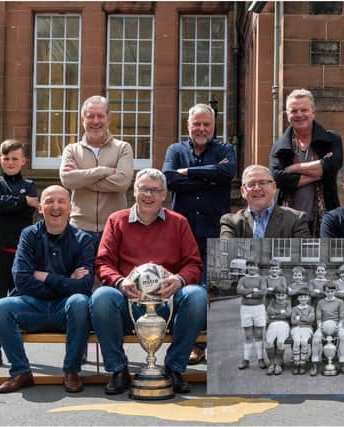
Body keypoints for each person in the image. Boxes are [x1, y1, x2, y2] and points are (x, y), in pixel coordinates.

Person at [90, 168, 206, 395]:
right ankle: (118, 370)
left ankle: (175, 368)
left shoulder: (179, 222)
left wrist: (179, 280)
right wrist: (120, 282)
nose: (149, 195)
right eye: (144, 188)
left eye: (155, 190)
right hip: (128, 301)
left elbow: (194, 264)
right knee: (101, 297)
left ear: (165, 194)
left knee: (197, 295)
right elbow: (103, 263)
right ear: (134, 191)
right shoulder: (117, 220)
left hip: (167, 303)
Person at [0, 186, 95, 393]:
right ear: (40, 207)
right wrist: (66, 281)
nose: (55, 207)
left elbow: (84, 286)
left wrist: (46, 276)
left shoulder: (84, 240)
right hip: (33, 307)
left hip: (65, 310)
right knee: (1, 307)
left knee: (80, 302)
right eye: (49, 201)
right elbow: (21, 279)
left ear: (71, 207)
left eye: (61, 201)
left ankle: (71, 370)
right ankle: (21, 371)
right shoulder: (28, 236)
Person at [163, 103, 236, 364]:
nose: (201, 129)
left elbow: (227, 172)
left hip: (215, 232)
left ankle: (213, 344)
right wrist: (209, 178)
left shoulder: (225, 149)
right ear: (188, 125)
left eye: (206, 124)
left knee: (214, 292)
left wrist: (190, 172)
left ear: (214, 126)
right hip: (184, 235)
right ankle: (193, 345)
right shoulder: (175, 150)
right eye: (197, 124)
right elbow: (169, 179)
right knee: (189, 291)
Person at [0, 140, 38, 369]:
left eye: (15, 158)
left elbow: (28, 210)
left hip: (23, 252)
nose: (10, 162)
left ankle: (16, 349)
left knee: (19, 300)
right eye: (6, 158)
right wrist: (23, 202)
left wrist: (19, 203)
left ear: (23, 161)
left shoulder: (30, 184)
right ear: (0, 160)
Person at [59, 95, 134, 250]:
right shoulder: (71, 149)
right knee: (81, 273)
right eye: (90, 116)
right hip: (79, 227)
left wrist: (81, 177)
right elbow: (67, 180)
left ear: (108, 119)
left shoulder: (123, 148)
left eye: (100, 116)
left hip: (114, 226)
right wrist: (103, 171)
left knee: (110, 274)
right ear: (82, 119)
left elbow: (122, 183)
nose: (95, 121)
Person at [269, 88, 343, 236]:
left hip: (325, 216)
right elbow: (279, 178)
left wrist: (293, 168)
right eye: (294, 111)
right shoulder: (279, 146)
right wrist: (320, 171)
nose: (299, 115)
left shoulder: (331, 139)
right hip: (288, 220)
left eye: (304, 110)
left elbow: (333, 165)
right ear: (287, 114)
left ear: (313, 112)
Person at [220, 165, 310, 238]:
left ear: (274, 187)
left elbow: (302, 256)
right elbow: (225, 255)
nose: (257, 188)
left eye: (262, 183)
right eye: (251, 184)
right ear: (243, 191)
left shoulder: (295, 219)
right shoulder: (231, 222)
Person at [311, 283, 344, 376]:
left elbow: (341, 317)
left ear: (335, 292)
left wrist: (340, 326)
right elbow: (318, 317)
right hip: (324, 325)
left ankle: (342, 362)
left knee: (343, 336)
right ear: (324, 291)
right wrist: (320, 326)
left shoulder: (340, 302)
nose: (330, 293)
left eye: (332, 291)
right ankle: (315, 363)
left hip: (336, 325)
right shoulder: (320, 302)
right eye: (328, 291)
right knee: (316, 338)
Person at [236, 259, 268, 370]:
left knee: (258, 335)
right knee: (248, 335)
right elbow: (239, 290)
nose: (252, 268)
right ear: (247, 267)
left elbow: (263, 292)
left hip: (259, 308)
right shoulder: (242, 279)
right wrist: (253, 290)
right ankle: (246, 360)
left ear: (257, 267)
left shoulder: (261, 279)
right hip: (246, 309)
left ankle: (260, 359)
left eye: (254, 266)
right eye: (250, 266)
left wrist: (248, 293)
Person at [265, 286, 291, 375]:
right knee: (269, 342)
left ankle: (279, 364)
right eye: (278, 295)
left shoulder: (288, 303)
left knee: (280, 342)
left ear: (286, 295)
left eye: (282, 295)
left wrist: (274, 315)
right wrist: (280, 312)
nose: (280, 297)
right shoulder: (272, 302)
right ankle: (272, 364)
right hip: (272, 324)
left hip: (284, 324)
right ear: (275, 295)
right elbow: (269, 311)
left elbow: (288, 314)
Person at [289, 287, 314, 375]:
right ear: (298, 298)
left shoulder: (311, 308)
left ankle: (303, 362)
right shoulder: (294, 308)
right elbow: (293, 321)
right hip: (296, 328)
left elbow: (311, 320)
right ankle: (296, 362)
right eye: (301, 297)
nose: (303, 299)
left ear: (308, 298)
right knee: (296, 341)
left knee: (304, 341)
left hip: (307, 328)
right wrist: (305, 318)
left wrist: (299, 318)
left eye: (305, 297)